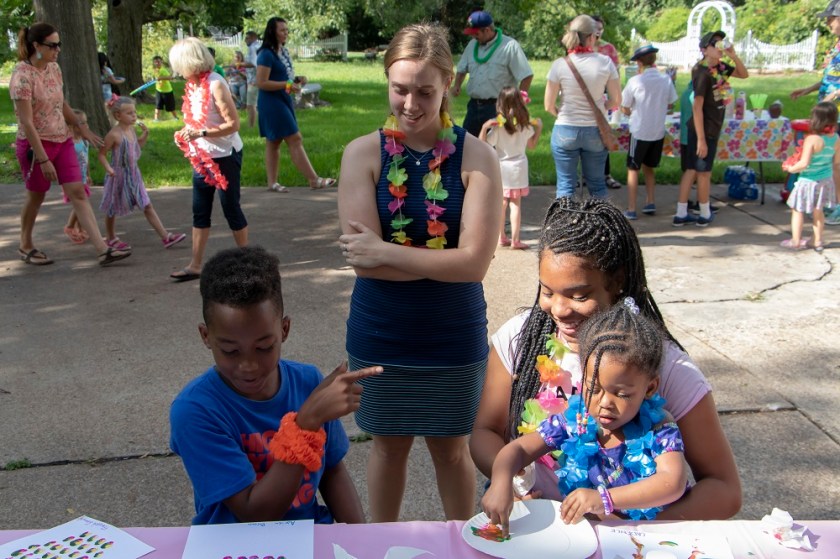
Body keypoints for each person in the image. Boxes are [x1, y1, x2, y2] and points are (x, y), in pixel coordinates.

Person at [470, 197, 742, 521]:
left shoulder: (660, 364)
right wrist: (511, 481)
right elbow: (486, 432)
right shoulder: (520, 339)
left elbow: (724, 490)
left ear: (617, 282)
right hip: (537, 525)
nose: (559, 309)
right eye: (548, 291)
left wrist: (634, 527)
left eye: (579, 295)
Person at [337, 22, 502, 522]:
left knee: (452, 451)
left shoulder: (477, 158)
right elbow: (363, 262)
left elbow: (474, 264)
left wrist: (388, 253)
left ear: (449, 84)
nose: (410, 103)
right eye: (400, 89)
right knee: (387, 448)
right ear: (387, 81)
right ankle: (378, 545)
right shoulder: (361, 154)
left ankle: (461, 545)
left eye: (425, 91)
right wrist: (439, 264)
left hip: (451, 334)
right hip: (381, 331)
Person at [170, 245, 380, 524]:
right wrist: (305, 425)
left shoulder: (308, 382)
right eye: (231, 351)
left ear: (284, 329)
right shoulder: (195, 411)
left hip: (309, 536)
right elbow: (255, 514)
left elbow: (332, 472)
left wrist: (360, 542)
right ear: (206, 336)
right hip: (235, 546)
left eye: (264, 347)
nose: (249, 366)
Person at [482, 300, 688, 533]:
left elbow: (672, 482)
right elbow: (517, 450)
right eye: (594, 388)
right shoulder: (576, 418)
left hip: (647, 537)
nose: (605, 403)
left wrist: (604, 499)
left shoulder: (659, 426)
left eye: (622, 394)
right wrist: (501, 482)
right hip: (594, 535)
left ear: (650, 388)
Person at [10, 23, 131, 266]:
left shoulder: (54, 69)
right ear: (36, 46)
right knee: (36, 196)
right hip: (36, 147)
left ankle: (102, 249)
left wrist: (81, 127)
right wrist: (43, 158)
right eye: (52, 45)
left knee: (78, 191)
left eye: (59, 45)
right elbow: (27, 123)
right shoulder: (22, 77)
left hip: (62, 140)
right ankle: (25, 245)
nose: (58, 50)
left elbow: (61, 103)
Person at [169, 37, 248, 282]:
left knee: (231, 208)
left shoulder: (216, 84)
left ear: (189, 62)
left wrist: (200, 133)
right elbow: (195, 120)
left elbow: (233, 124)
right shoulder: (193, 86)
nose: (176, 70)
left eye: (178, 64)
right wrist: (185, 134)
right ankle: (195, 265)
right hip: (202, 156)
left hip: (225, 156)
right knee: (199, 211)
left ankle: (247, 263)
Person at [673, 31, 747, 227]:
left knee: (692, 169)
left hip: (711, 125)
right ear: (705, 50)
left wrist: (733, 55)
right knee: (703, 171)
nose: (720, 46)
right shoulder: (702, 72)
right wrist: (701, 139)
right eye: (716, 44)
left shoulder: (720, 68)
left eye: (721, 43)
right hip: (702, 129)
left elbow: (743, 74)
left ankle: (681, 213)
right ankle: (704, 213)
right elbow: (697, 106)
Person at [544, 15, 620, 199]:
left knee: (565, 186)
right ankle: (601, 227)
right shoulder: (605, 63)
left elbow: (548, 105)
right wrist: (602, 106)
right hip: (595, 130)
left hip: (565, 130)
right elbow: (616, 100)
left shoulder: (559, 65)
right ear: (592, 37)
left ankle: (565, 226)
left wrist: (562, 114)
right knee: (597, 186)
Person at [256, 17, 336, 192]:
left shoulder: (282, 51)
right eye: (282, 30)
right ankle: (314, 180)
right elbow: (261, 82)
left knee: (274, 141)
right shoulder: (266, 54)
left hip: (282, 99)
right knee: (295, 138)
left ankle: (272, 183)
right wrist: (286, 85)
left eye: (287, 30)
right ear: (272, 32)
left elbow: (284, 77)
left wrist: (297, 80)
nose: (286, 33)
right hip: (271, 102)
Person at [97, 97, 186, 251]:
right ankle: (111, 237)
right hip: (118, 177)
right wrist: (108, 169)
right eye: (129, 113)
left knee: (146, 205)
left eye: (134, 112)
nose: (134, 116)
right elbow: (101, 154)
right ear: (118, 116)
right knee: (112, 208)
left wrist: (144, 136)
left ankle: (166, 237)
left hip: (133, 175)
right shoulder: (114, 135)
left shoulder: (131, 130)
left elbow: (136, 147)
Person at [791, 0, 840, 226]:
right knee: (829, 159)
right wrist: (807, 89)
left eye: (831, 18)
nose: (828, 23)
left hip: (836, 112)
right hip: (829, 111)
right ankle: (830, 203)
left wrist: (834, 96)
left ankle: (837, 206)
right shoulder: (837, 46)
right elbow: (829, 78)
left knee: (836, 160)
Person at [451, 10, 533, 138]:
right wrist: (457, 85)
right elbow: (462, 68)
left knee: (495, 149)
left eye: (476, 33)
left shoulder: (509, 46)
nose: (473, 37)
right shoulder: (472, 45)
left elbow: (526, 75)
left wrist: (518, 103)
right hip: (474, 107)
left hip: (499, 107)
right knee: (467, 145)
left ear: (487, 30)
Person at [478, 86, 542, 249]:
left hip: (502, 167)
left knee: (502, 203)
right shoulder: (525, 126)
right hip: (519, 167)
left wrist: (485, 128)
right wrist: (539, 128)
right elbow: (532, 145)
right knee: (515, 204)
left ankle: (501, 237)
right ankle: (515, 239)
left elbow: (483, 144)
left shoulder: (498, 127)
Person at [620, 45, 677, 220]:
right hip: (657, 131)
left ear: (639, 62)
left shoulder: (635, 81)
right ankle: (650, 201)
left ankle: (631, 208)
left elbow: (624, 106)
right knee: (650, 168)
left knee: (633, 169)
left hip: (639, 130)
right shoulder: (665, 80)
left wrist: (631, 112)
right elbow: (671, 103)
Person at [780, 101, 838, 252]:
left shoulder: (811, 139)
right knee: (818, 211)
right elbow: (836, 162)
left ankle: (796, 241)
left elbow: (804, 163)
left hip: (808, 181)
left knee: (797, 210)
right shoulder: (836, 139)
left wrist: (791, 169)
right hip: (826, 180)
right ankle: (817, 240)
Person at [591, 14, 622, 191]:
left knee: (604, 135)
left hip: (604, 97)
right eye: (595, 28)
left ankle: (605, 174)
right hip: (584, 98)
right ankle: (586, 176)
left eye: (601, 29)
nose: (598, 32)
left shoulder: (608, 49)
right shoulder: (578, 48)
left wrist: (613, 101)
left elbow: (615, 76)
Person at [62, 109, 92, 244]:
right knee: (80, 203)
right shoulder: (70, 143)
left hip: (83, 178)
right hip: (72, 179)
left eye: (86, 122)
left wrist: (88, 174)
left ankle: (79, 229)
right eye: (82, 123)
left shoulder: (85, 140)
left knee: (80, 203)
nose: (86, 126)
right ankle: (69, 226)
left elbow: (87, 159)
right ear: (72, 125)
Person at [151, 55, 179, 122]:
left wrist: (161, 78)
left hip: (167, 91)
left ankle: (176, 118)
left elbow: (170, 78)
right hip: (159, 90)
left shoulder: (163, 70)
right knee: (158, 105)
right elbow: (155, 78)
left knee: (170, 106)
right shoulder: (155, 70)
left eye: (159, 62)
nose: (157, 63)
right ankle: (156, 119)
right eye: (156, 62)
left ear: (161, 62)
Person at [99, 52, 124, 123]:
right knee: (109, 110)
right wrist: (122, 80)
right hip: (107, 93)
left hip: (98, 92)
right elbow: (114, 81)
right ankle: (111, 124)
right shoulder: (106, 70)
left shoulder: (94, 70)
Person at [243, 31, 261, 128]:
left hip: (253, 81)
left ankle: (251, 126)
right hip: (257, 79)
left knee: (250, 105)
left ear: (253, 38)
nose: (245, 40)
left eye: (247, 38)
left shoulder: (252, 48)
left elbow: (253, 64)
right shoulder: (258, 47)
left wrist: (240, 64)